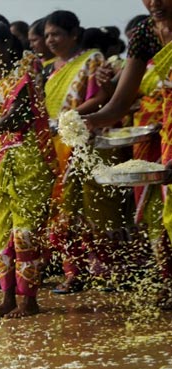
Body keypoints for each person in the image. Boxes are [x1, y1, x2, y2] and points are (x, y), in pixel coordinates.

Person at [84, 0, 172, 310]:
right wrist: (89, 122)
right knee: (163, 214)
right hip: (166, 134)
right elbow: (119, 104)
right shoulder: (146, 33)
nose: (154, 3)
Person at [0, 22, 56, 318]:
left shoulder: (27, 68)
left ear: (7, 43)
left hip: (28, 159)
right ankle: (7, 297)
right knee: (1, 230)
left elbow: (21, 113)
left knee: (24, 232)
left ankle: (28, 300)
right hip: (0, 161)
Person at [43, 10, 132, 294]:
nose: (50, 40)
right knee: (65, 211)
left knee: (97, 208)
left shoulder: (91, 59)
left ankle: (109, 272)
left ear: (74, 35)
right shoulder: (53, 68)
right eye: (47, 35)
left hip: (87, 143)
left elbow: (102, 97)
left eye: (56, 34)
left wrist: (70, 117)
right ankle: (74, 272)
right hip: (57, 145)